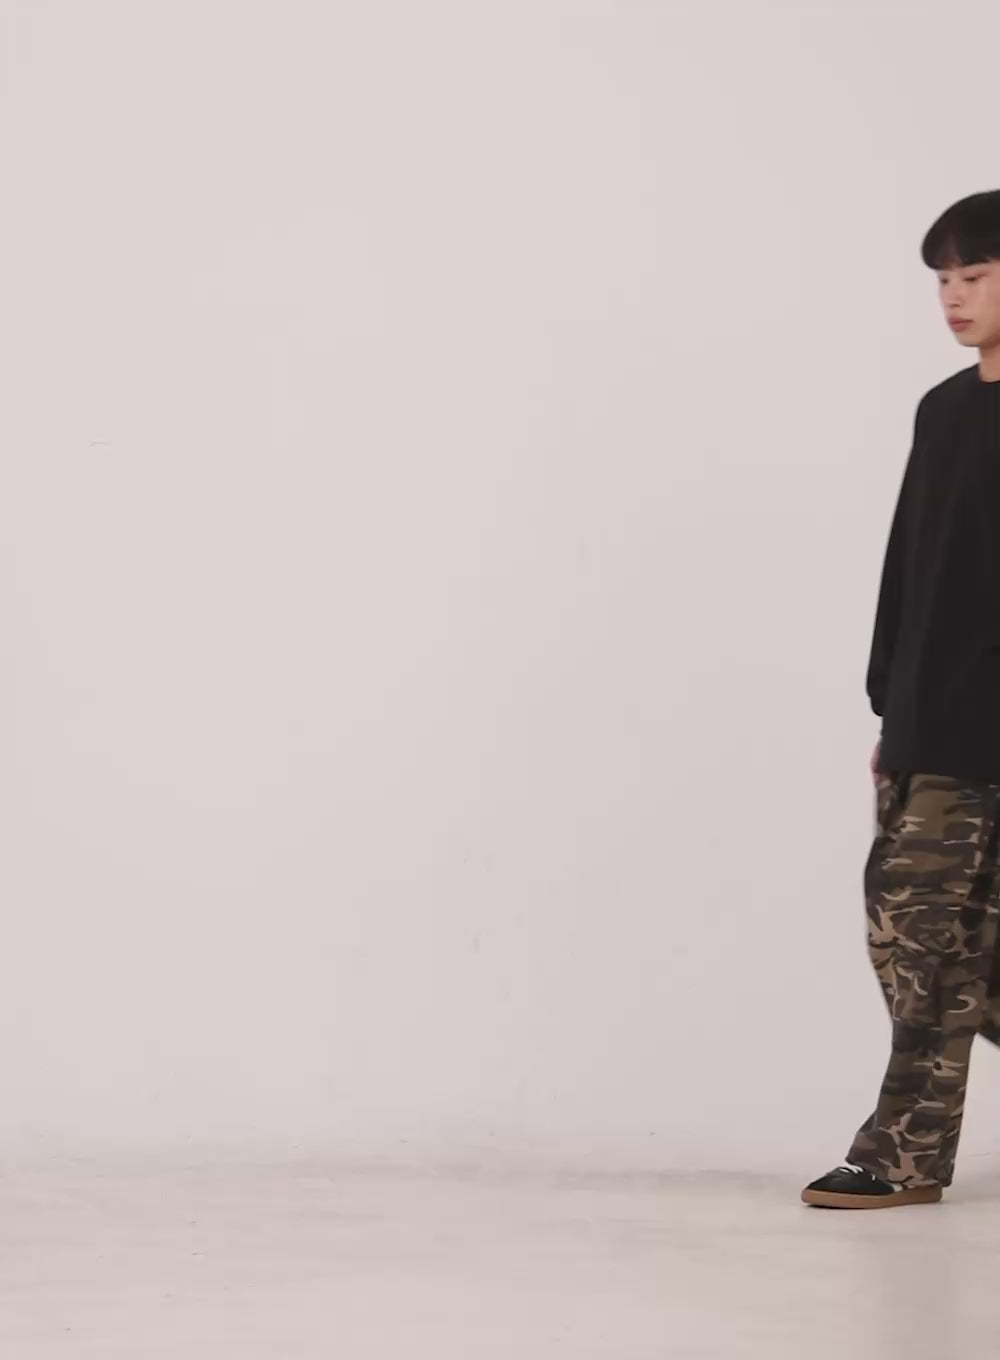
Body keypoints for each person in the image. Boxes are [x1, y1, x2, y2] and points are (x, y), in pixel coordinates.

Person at [802, 190, 1000, 1210]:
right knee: (927, 938)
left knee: (926, 940)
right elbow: (910, 570)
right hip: (934, 724)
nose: (953, 297)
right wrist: (893, 709)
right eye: (943, 281)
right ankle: (908, 1150)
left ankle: (902, 1154)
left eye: (975, 276)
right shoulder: (945, 408)